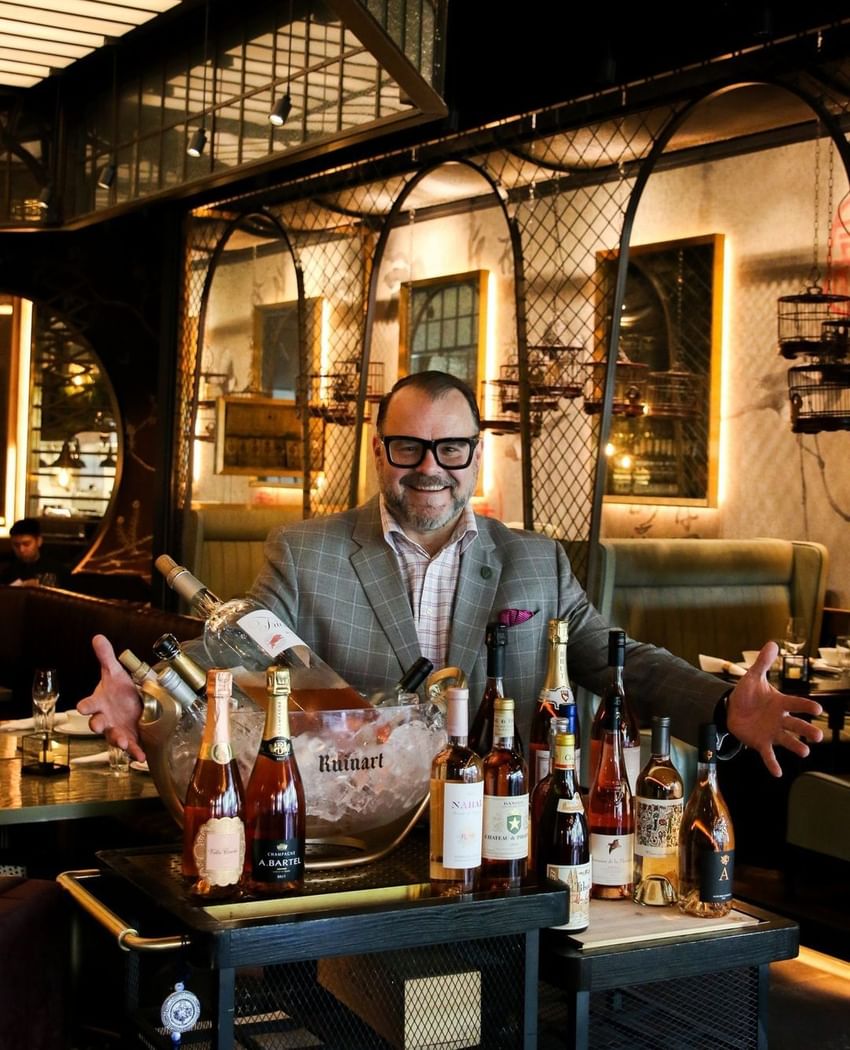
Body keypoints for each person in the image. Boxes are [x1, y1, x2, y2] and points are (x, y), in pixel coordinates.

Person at [79, 371, 823, 774]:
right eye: (408, 448)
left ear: (476, 456)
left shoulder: (536, 561)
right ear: (379, 454)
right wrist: (142, 693)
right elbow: (236, 649)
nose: (429, 469)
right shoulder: (306, 553)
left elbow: (613, 657)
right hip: (362, 826)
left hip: (502, 828)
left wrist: (723, 706)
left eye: (451, 449)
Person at [0, 517, 66, 587]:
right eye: (16, 545)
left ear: (39, 541)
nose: (21, 549)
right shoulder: (7, 570)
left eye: (26, 544)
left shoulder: (57, 569)